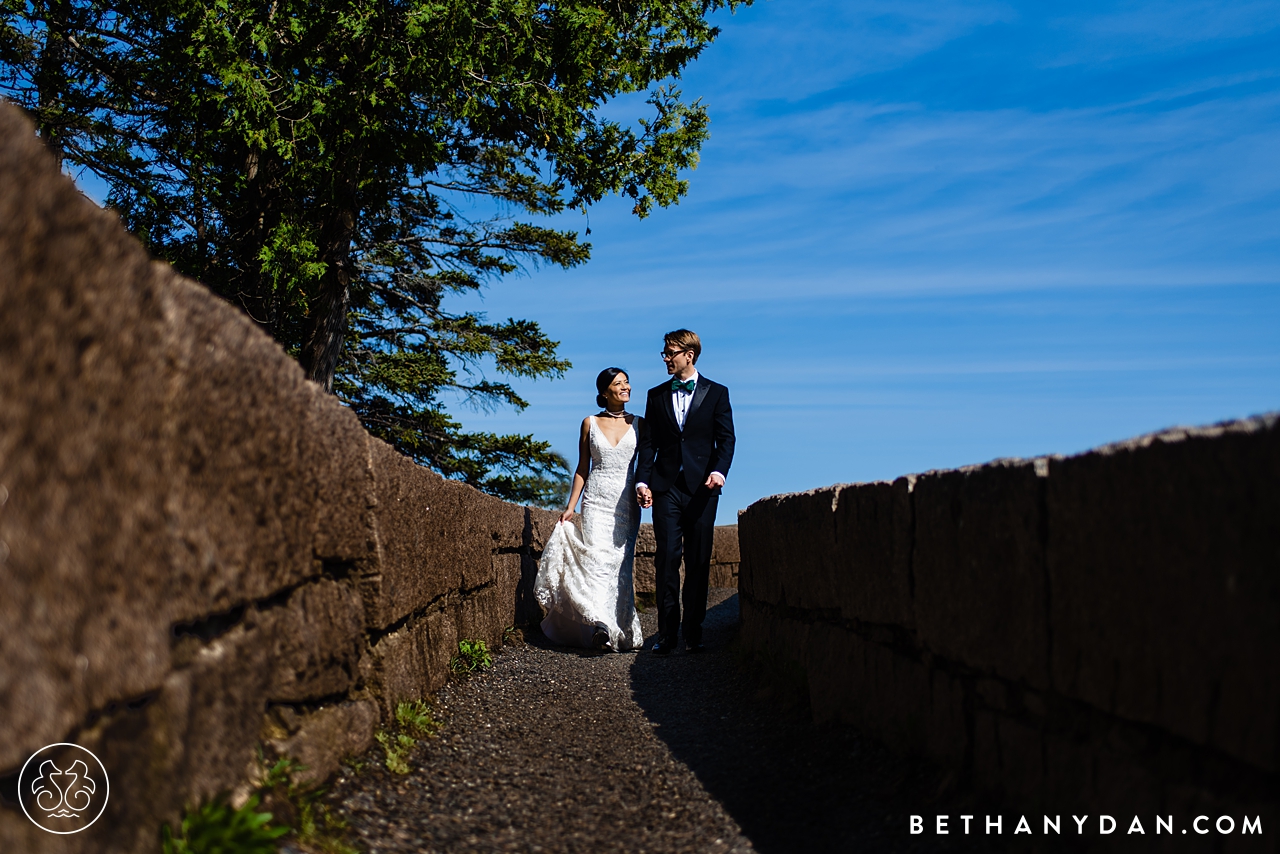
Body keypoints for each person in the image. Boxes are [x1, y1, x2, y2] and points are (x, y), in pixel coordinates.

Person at [635, 329, 736, 655]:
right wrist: (642, 481)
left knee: (698, 561)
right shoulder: (655, 395)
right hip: (665, 489)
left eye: (670, 352)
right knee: (666, 561)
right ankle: (666, 636)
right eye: (664, 353)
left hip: (703, 491)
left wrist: (719, 472)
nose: (665, 358)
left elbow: (727, 439)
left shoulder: (717, 393)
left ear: (688, 355)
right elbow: (649, 444)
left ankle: (693, 634)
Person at [534, 368, 645, 651]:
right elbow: (583, 469)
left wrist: (647, 489)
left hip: (626, 505)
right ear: (604, 392)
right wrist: (571, 506)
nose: (626, 387)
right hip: (595, 501)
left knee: (620, 567)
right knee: (596, 561)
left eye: (627, 382)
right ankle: (600, 625)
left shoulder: (640, 424)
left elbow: (647, 467)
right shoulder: (589, 423)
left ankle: (620, 627)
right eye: (618, 383)